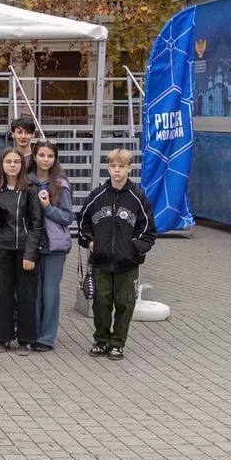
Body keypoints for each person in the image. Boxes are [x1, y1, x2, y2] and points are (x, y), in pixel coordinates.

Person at [78, 148, 156, 361]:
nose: (117, 171)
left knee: (125, 304)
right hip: (101, 262)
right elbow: (83, 221)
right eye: (113, 166)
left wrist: (133, 249)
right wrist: (91, 243)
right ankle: (101, 339)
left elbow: (148, 230)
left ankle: (117, 343)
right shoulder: (97, 196)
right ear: (108, 168)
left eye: (121, 167)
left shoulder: (138, 198)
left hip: (127, 265)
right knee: (101, 303)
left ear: (129, 168)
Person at [0, 148, 43, 355]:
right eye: (8, 162)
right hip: (4, 248)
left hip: (25, 249)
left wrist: (30, 254)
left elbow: (36, 225)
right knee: (2, 294)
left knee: (26, 295)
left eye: (16, 161)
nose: (12, 165)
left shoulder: (30, 190)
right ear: (2, 165)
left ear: (22, 165)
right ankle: (3, 337)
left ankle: (25, 340)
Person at [29, 141, 74, 352]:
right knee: (34, 292)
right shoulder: (27, 181)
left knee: (50, 292)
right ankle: (33, 332)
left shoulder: (60, 184)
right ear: (35, 156)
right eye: (41, 155)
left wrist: (48, 208)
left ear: (54, 159)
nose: (45, 159)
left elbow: (67, 217)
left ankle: (46, 337)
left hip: (54, 246)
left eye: (50, 156)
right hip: (31, 245)